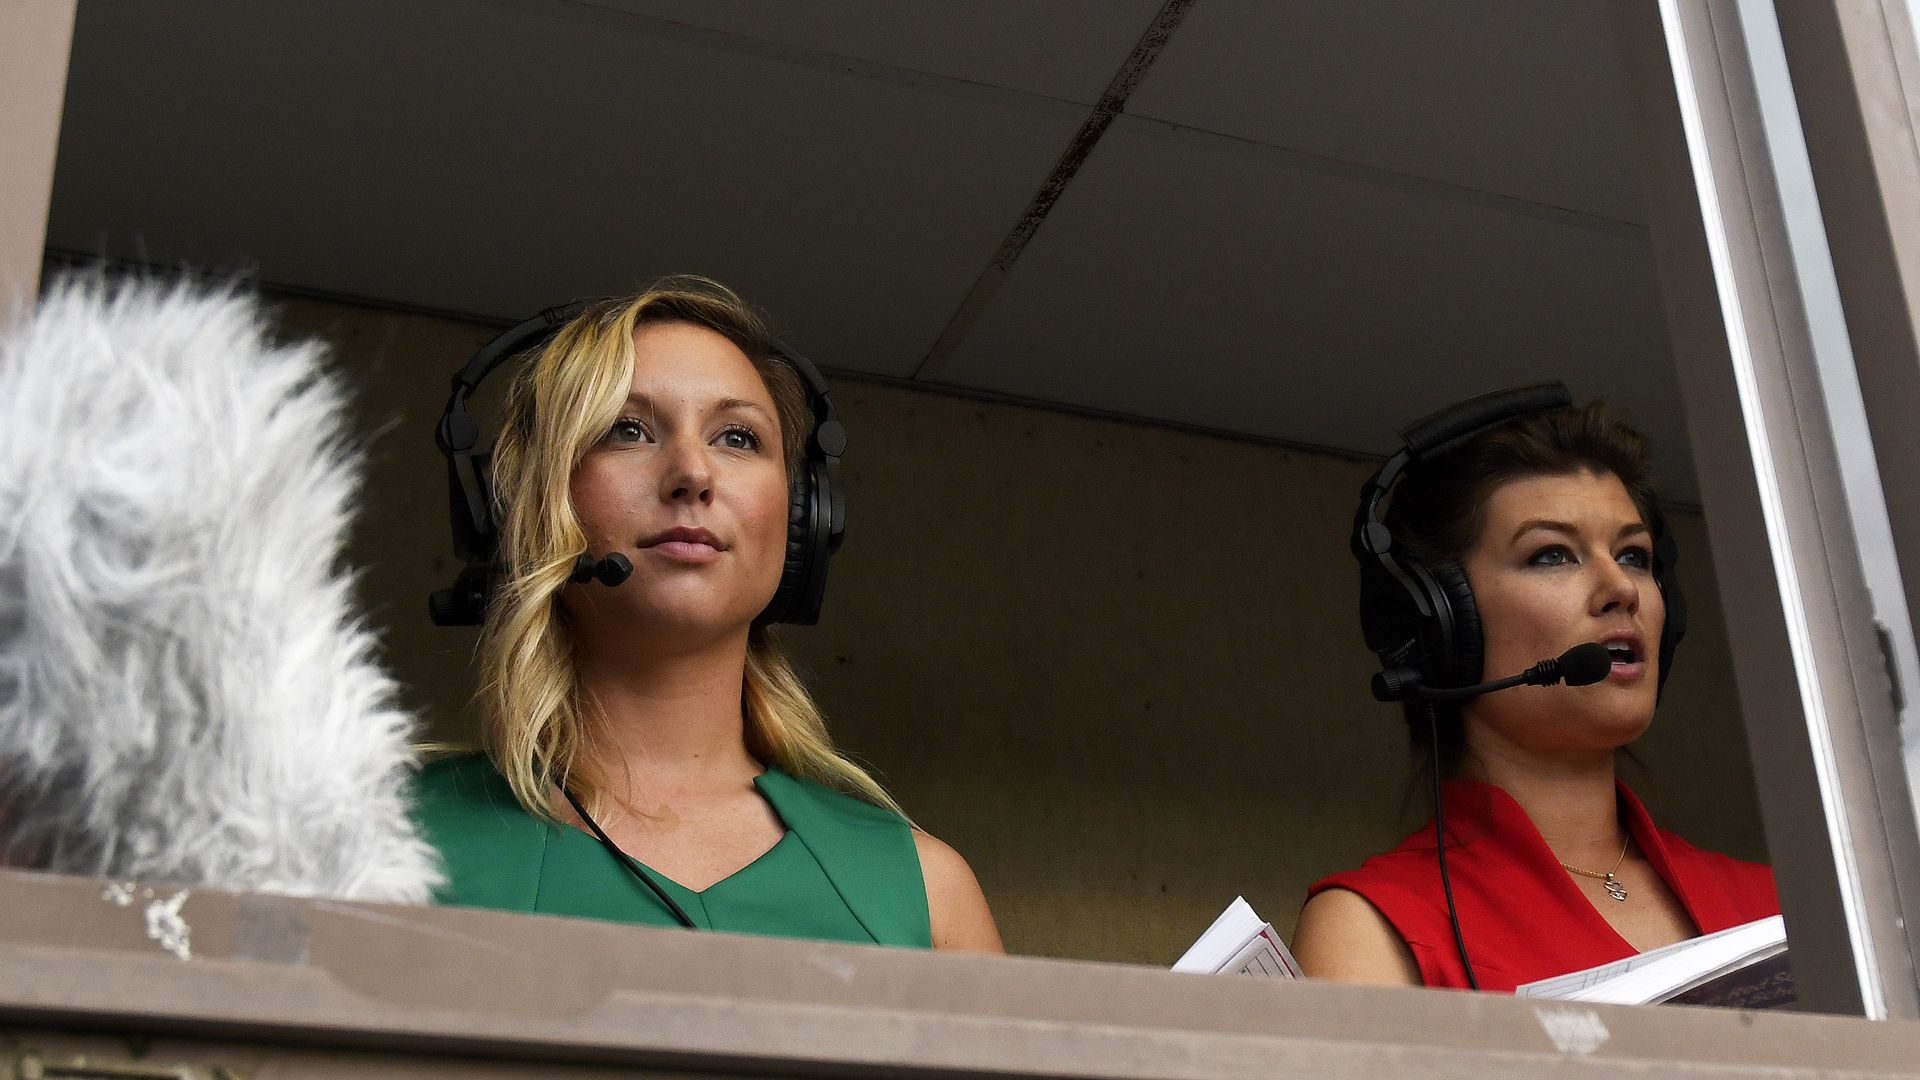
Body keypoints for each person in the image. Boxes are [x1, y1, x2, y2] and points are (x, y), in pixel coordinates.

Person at [412, 276, 1002, 952]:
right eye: (626, 430)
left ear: (804, 517)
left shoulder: (926, 893)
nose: (693, 472)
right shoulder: (380, 835)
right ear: (524, 507)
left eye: (738, 438)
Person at [1291, 392, 1775, 991]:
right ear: (1441, 623)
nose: (1619, 587)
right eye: (1552, 555)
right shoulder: (1374, 927)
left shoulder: (1786, 913)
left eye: (1633, 554)